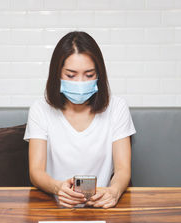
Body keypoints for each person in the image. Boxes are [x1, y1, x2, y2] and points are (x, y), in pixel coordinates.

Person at [24, 31, 136, 209]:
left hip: (101, 208)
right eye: (71, 75)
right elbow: (36, 171)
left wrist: (113, 191)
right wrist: (58, 187)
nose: (80, 82)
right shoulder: (40, 109)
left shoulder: (117, 107)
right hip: (56, 209)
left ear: (99, 75)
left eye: (89, 75)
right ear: (57, 74)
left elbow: (123, 168)